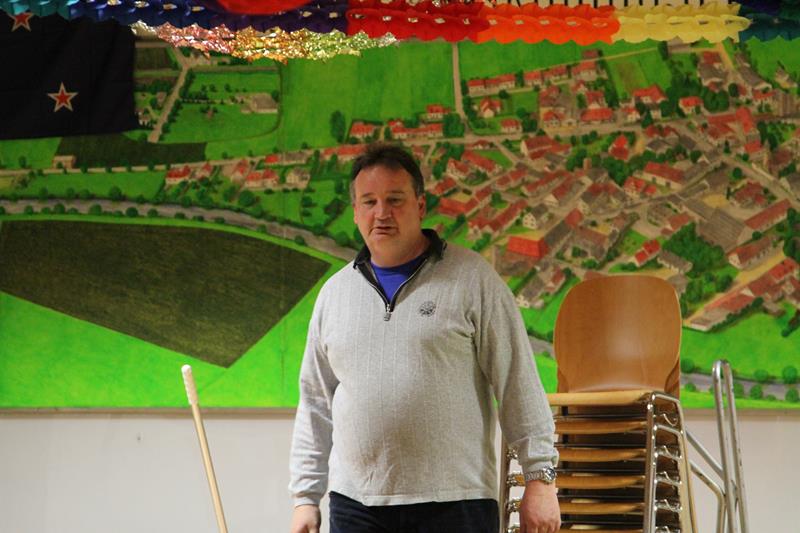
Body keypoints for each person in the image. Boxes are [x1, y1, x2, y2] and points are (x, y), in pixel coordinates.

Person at [289, 143, 560, 533]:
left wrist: (540, 479)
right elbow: (315, 402)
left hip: (456, 502)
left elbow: (518, 381)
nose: (381, 213)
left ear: (420, 205)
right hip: (356, 505)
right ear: (356, 212)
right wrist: (305, 497)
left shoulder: (473, 279)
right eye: (369, 201)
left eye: (394, 199)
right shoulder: (334, 295)